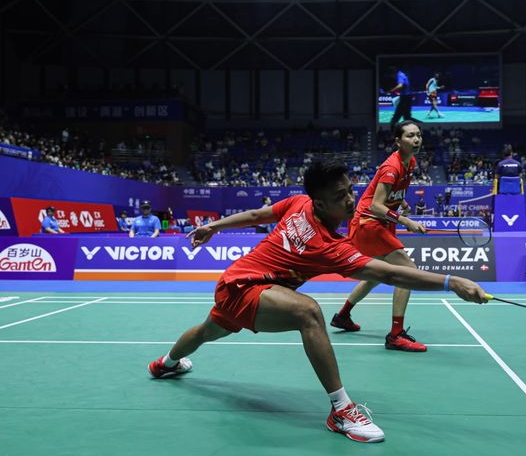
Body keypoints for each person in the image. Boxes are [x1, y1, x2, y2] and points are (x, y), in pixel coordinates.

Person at [147, 161, 487, 443]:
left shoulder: (303, 207)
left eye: (351, 190)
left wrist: (215, 226)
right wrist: (450, 281)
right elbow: (392, 274)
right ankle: (341, 411)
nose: (352, 200)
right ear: (320, 203)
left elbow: (255, 216)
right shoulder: (324, 241)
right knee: (308, 311)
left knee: (208, 331)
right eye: (341, 196)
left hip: (238, 287)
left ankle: (165, 363)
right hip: (244, 286)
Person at [330, 121, 429, 352]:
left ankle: (343, 316)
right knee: (408, 271)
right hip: (369, 224)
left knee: (376, 275)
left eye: (418, 135)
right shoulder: (391, 168)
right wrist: (406, 221)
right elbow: (376, 205)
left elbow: (387, 195)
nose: (416, 140)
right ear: (398, 141)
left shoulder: (410, 162)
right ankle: (395, 335)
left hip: (379, 223)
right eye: (410, 136)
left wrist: (400, 201)